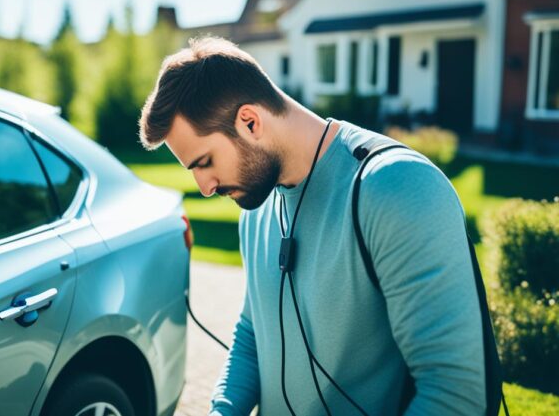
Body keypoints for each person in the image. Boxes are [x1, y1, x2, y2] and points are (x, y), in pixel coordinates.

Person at [138, 37, 487, 415]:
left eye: (204, 162)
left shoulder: (397, 187)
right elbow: (255, 332)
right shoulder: (254, 206)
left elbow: (454, 393)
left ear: (250, 121)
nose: (204, 188)